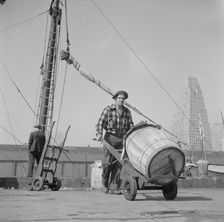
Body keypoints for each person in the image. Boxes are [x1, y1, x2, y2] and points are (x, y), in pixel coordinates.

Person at [95, 90, 134, 194]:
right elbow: (100, 123)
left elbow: (131, 126)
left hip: (122, 140)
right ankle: (104, 184)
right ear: (115, 99)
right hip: (110, 139)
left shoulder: (127, 112)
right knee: (107, 163)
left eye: (123, 98)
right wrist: (99, 134)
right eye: (119, 98)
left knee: (119, 164)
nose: (121, 100)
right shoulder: (108, 109)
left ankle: (114, 187)